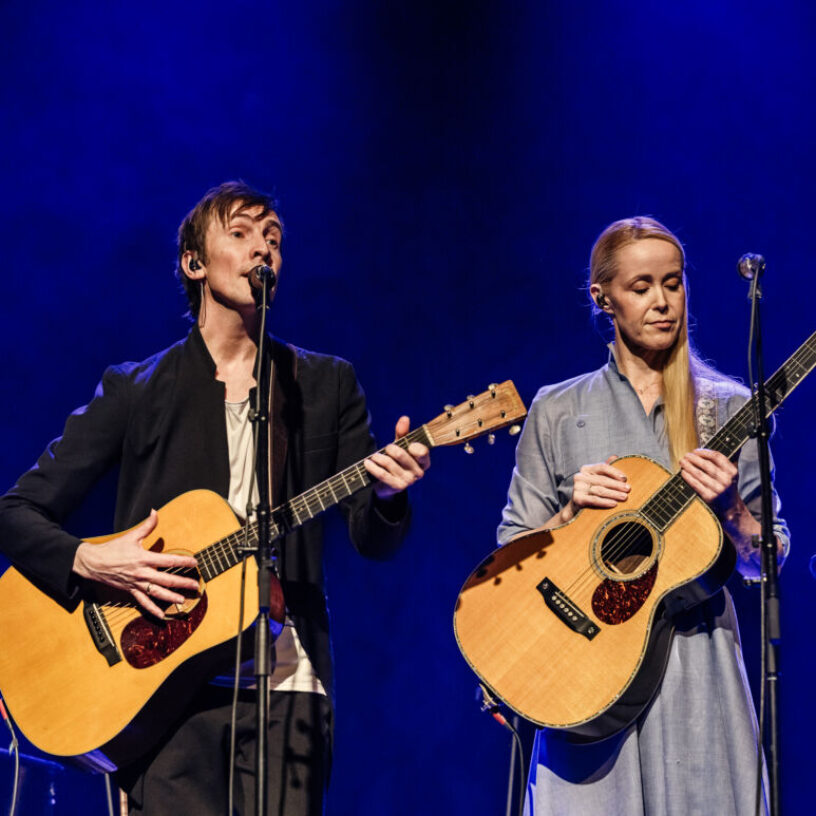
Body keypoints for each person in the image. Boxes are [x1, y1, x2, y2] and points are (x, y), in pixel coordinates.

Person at [0, 181, 430, 815]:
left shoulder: (323, 384)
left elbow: (372, 536)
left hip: (288, 685)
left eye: (274, 239)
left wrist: (389, 494)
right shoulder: (136, 389)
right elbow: (16, 514)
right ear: (194, 263)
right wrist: (92, 561)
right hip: (160, 690)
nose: (264, 249)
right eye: (243, 233)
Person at [498, 216, 789, 815]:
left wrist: (732, 511)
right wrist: (568, 514)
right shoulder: (557, 409)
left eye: (674, 283)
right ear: (603, 298)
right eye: (642, 287)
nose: (662, 301)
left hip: (697, 666)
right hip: (583, 671)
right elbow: (511, 552)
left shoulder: (731, 408)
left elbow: (771, 559)